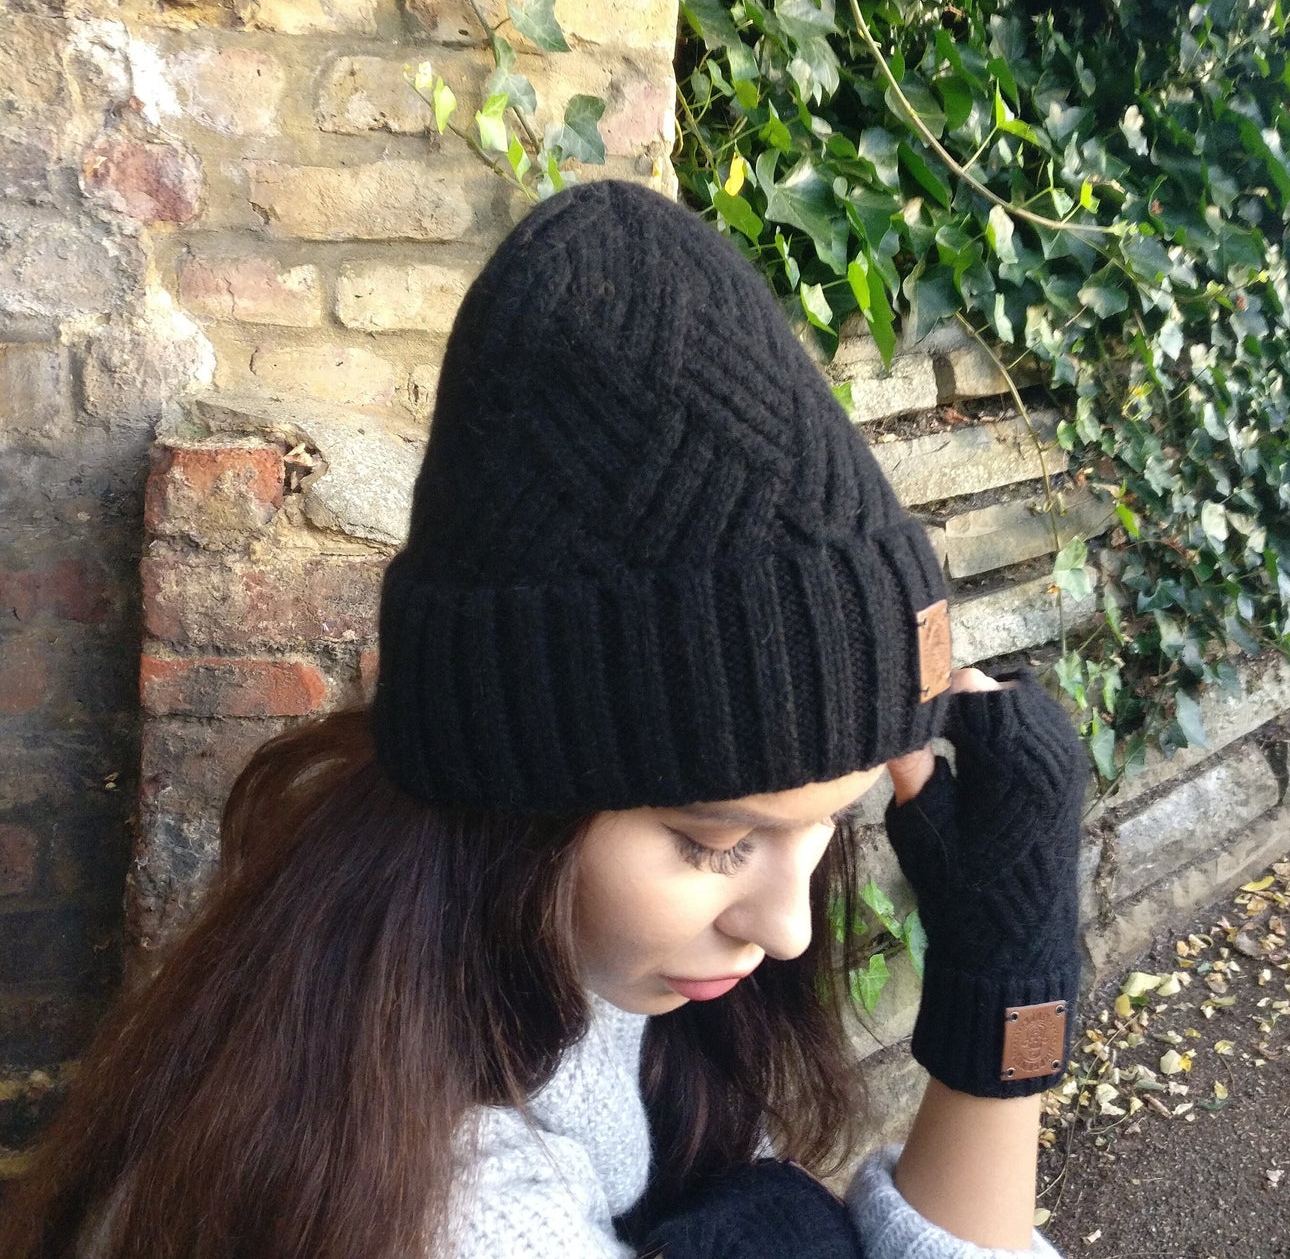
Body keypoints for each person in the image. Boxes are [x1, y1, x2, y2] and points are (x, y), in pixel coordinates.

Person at [1, 181, 1087, 1259]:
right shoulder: (453, 1212)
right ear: (510, 796)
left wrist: (1002, 986)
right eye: (716, 842)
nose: (789, 928)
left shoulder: (542, 980)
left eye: (827, 824)